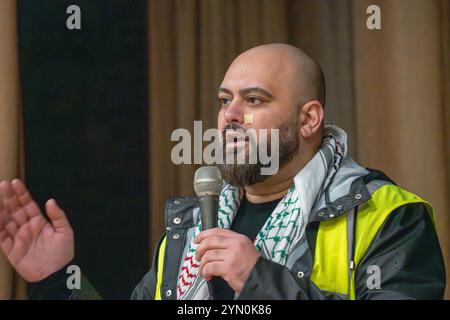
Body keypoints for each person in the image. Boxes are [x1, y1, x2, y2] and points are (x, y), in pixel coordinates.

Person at [0, 43, 445, 300]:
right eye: (223, 100)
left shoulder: (388, 216)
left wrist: (259, 280)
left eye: (253, 100)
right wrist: (57, 278)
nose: (229, 115)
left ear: (309, 120)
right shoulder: (192, 226)